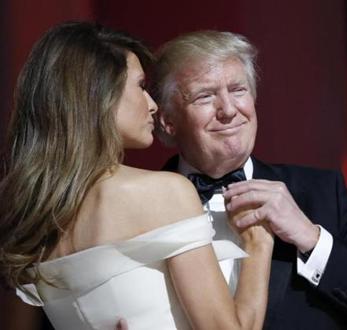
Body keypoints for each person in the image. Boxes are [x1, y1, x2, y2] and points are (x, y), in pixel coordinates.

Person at [0, 22, 274, 330]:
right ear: (101, 94)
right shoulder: (165, 192)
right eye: (141, 86)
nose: (153, 105)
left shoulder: (30, 213)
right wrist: (258, 245)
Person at [151, 30, 347, 329]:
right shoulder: (137, 206)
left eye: (238, 90)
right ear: (168, 120)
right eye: (205, 96)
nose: (229, 110)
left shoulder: (321, 192)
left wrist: (310, 238)